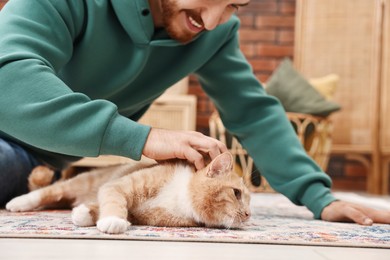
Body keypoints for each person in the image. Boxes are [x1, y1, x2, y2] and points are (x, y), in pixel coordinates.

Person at [0, 0, 388, 225]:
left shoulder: (214, 31)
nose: (214, 21)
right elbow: (8, 74)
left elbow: (252, 111)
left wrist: (319, 196)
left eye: (235, 4)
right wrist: (144, 137)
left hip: (28, 157)